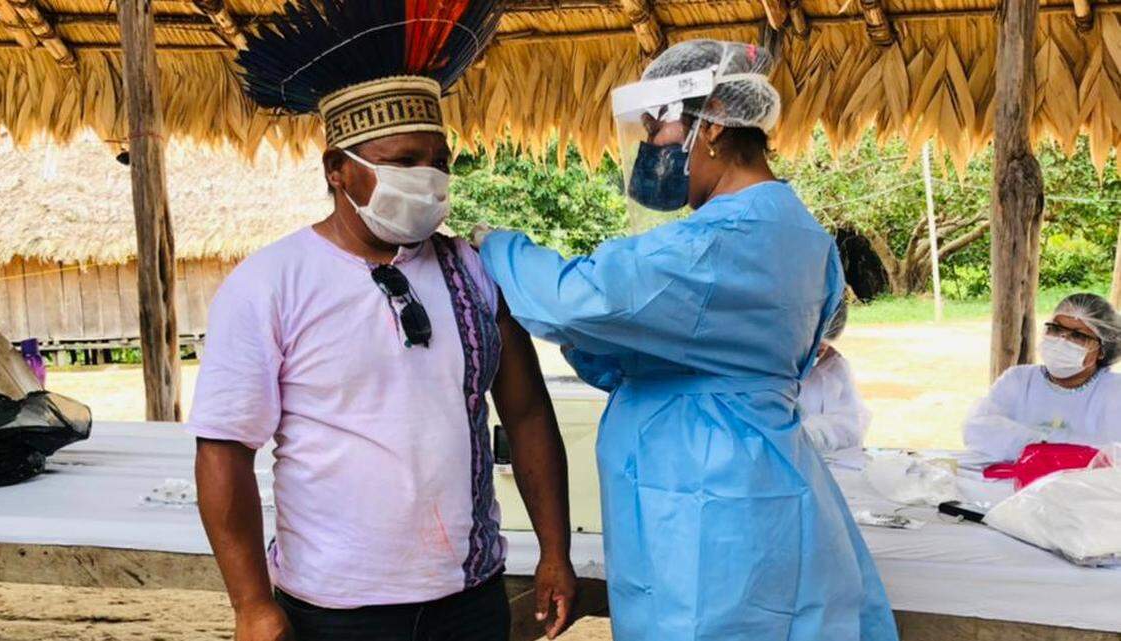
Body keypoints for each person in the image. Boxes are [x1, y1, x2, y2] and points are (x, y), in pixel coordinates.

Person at [473, 40, 897, 641]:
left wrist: (498, 247)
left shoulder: (719, 241)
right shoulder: (797, 232)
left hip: (708, 493)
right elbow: (634, 349)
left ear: (714, 125)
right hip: (758, 471)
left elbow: (579, 299)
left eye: (660, 128)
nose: (652, 147)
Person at [188, 3, 576, 640]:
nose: (426, 180)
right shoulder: (269, 285)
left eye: (438, 161)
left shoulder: (475, 276)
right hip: (333, 611)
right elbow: (224, 451)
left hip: (468, 597)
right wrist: (252, 604)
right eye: (400, 162)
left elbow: (529, 414)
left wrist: (554, 551)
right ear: (336, 170)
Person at [964, 293, 1121, 462]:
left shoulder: (1114, 392)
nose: (1061, 340)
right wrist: (1053, 446)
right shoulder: (1019, 379)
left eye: (1078, 336)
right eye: (1056, 329)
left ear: (1103, 349)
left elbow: (1112, 455)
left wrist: (1027, 443)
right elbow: (977, 429)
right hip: (1010, 484)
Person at [800, 299, 872, 452]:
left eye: (820, 351)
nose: (812, 356)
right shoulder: (754, 368)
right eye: (805, 347)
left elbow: (850, 428)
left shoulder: (832, 368)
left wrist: (810, 435)